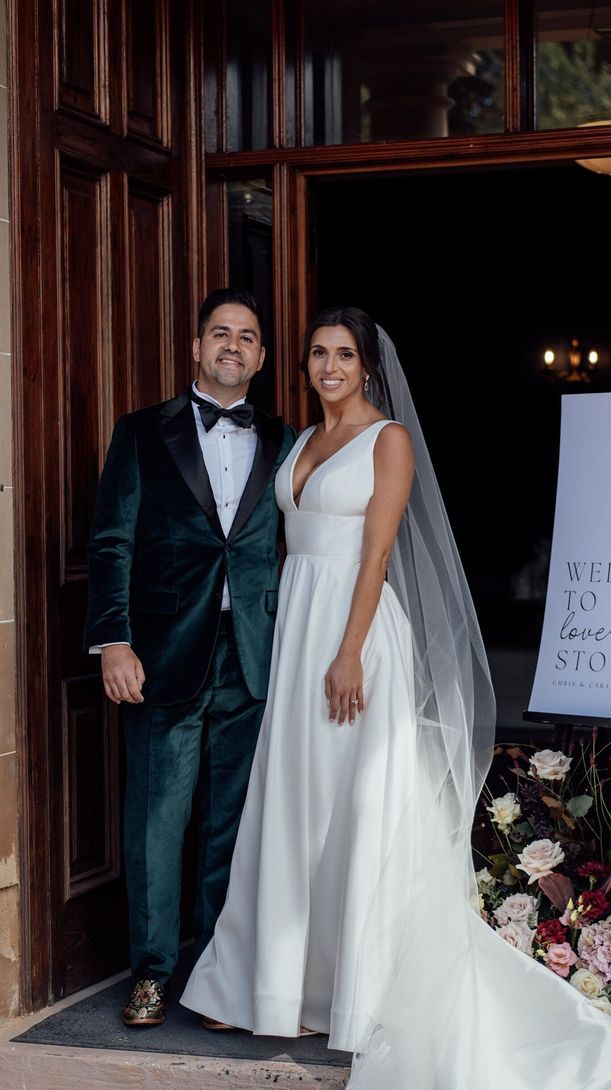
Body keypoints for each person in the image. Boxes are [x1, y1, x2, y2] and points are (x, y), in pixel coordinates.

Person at [181, 307, 611, 1089]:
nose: (330, 366)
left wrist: (350, 652)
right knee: (298, 806)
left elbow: (377, 550)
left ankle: (361, 994)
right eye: (319, 354)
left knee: (360, 808)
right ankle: (283, 984)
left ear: (368, 368)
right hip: (298, 633)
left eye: (345, 355)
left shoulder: (386, 440)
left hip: (353, 640)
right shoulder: (299, 440)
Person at [84, 288, 295, 1027]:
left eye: (247, 336)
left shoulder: (288, 439)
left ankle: (216, 975)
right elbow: (112, 541)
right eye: (220, 333)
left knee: (233, 824)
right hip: (162, 656)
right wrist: (114, 640)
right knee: (157, 820)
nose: (233, 345)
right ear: (197, 348)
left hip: (254, 658)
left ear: (262, 358)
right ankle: (152, 970)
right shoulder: (143, 432)